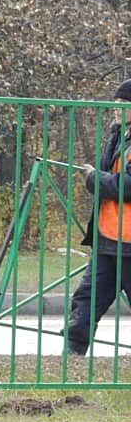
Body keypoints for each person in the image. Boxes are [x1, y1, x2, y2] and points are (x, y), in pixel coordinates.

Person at [65, 78, 131, 356]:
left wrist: (95, 178)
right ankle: (72, 353)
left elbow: (128, 186)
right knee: (86, 298)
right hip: (109, 239)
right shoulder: (119, 136)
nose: (116, 108)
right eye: (115, 103)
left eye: (124, 104)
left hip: (128, 242)